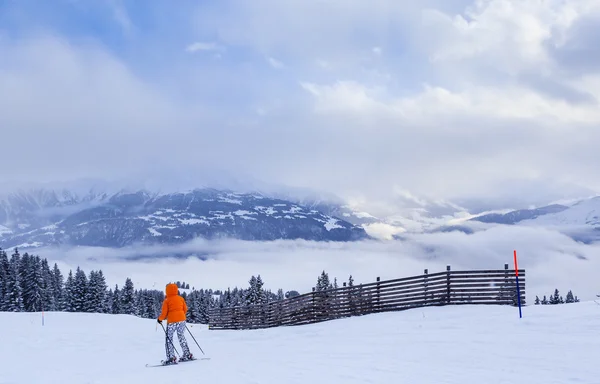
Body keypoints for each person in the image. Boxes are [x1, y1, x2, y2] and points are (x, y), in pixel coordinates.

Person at [157, 283, 194, 364]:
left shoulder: (166, 300)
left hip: (172, 322)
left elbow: (164, 314)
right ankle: (187, 354)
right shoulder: (181, 298)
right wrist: (180, 316)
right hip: (182, 320)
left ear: (167, 291)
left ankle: (171, 357)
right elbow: (185, 309)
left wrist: (159, 319)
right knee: (181, 336)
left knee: (169, 339)